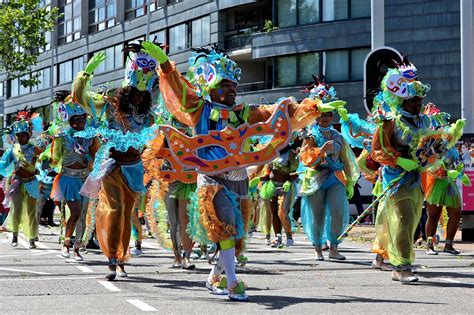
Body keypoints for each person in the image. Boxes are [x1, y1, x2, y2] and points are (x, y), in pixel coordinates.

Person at [142, 42, 343, 301]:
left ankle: (216, 275)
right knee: (223, 225)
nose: (231, 90)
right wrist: (165, 64)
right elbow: (179, 89)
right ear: (211, 87)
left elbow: (277, 113)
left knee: (235, 234)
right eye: (225, 85)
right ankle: (234, 282)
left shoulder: (243, 113)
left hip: (239, 179)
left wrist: (313, 107)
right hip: (212, 179)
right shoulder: (199, 109)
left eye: (234, 86)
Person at [71, 42, 158, 280]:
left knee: (127, 212)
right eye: (134, 91)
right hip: (112, 166)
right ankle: (111, 258)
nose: (138, 96)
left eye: (143, 93)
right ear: (126, 89)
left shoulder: (147, 116)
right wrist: (85, 74)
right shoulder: (108, 107)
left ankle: (121, 257)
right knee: (116, 209)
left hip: (134, 167)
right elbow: (80, 97)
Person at [371, 60, 434, 283]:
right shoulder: (391, 122)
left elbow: (431, 146)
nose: (418, 104)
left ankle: (400, 261)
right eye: (413, 100)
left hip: (416, 178)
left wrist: (435, 151)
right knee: (405, 219)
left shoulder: (425, 121)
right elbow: (378, 149)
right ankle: (401, 267)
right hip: (396, 178)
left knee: (412, 221)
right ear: (402, 101)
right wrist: (399, 160)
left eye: (420, 100)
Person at [299, 79, 359, 261]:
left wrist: (349, 181)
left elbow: (346, 160)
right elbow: (306, 158)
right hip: (316, 178)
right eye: (321, 114)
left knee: (338, 212)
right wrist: (321, 151)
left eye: (328, 114)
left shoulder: (338, 136)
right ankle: (318, 247)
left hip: (336, 178)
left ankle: (333, 247)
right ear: (316, 115)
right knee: (317, 216)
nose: (325, 118)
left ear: (333, 116)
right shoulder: (309, 135)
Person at [49, 91, 100, 261]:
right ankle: (66, 244)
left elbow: (96, 155)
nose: (80, 122)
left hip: (85, 178)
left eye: (82, 118)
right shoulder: (63, 137)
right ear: (70, 121)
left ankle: (77, 247)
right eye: (76, 119)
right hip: (68, 179)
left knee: (83, 215)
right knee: (75, 212)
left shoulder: (91, 138)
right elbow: (53, 158)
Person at [0, 110, 43, 248]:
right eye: (19, 135)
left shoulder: (35, 149)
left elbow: (45, 162)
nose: (21, 138)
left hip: (31, 181)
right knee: (16, 210)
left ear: (28, 135)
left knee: (32, 212)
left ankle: (31, 239)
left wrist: (39, 170)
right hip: (17, 182)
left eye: (24, 135)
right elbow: (4, 163)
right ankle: (15, 236)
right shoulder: (13, 150)